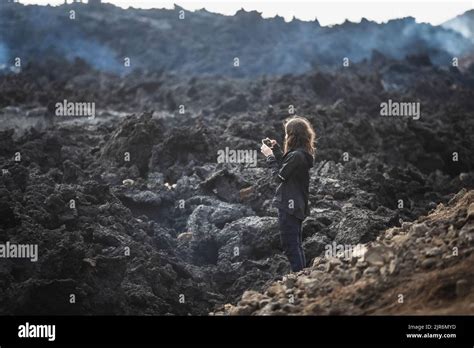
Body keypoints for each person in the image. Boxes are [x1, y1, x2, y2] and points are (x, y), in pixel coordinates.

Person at [260, 116, 315, 272]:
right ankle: (303, 275)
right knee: (295, 243)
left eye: (286, 134)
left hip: (290, 205)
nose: (285, 137)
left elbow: (278, 177)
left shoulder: (296, 156)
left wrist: (269, 156)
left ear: (292, 135)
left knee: (290, 244)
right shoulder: (301, 153)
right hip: (297, 205)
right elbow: (287, 167)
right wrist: (276, 150)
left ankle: (299, 277)